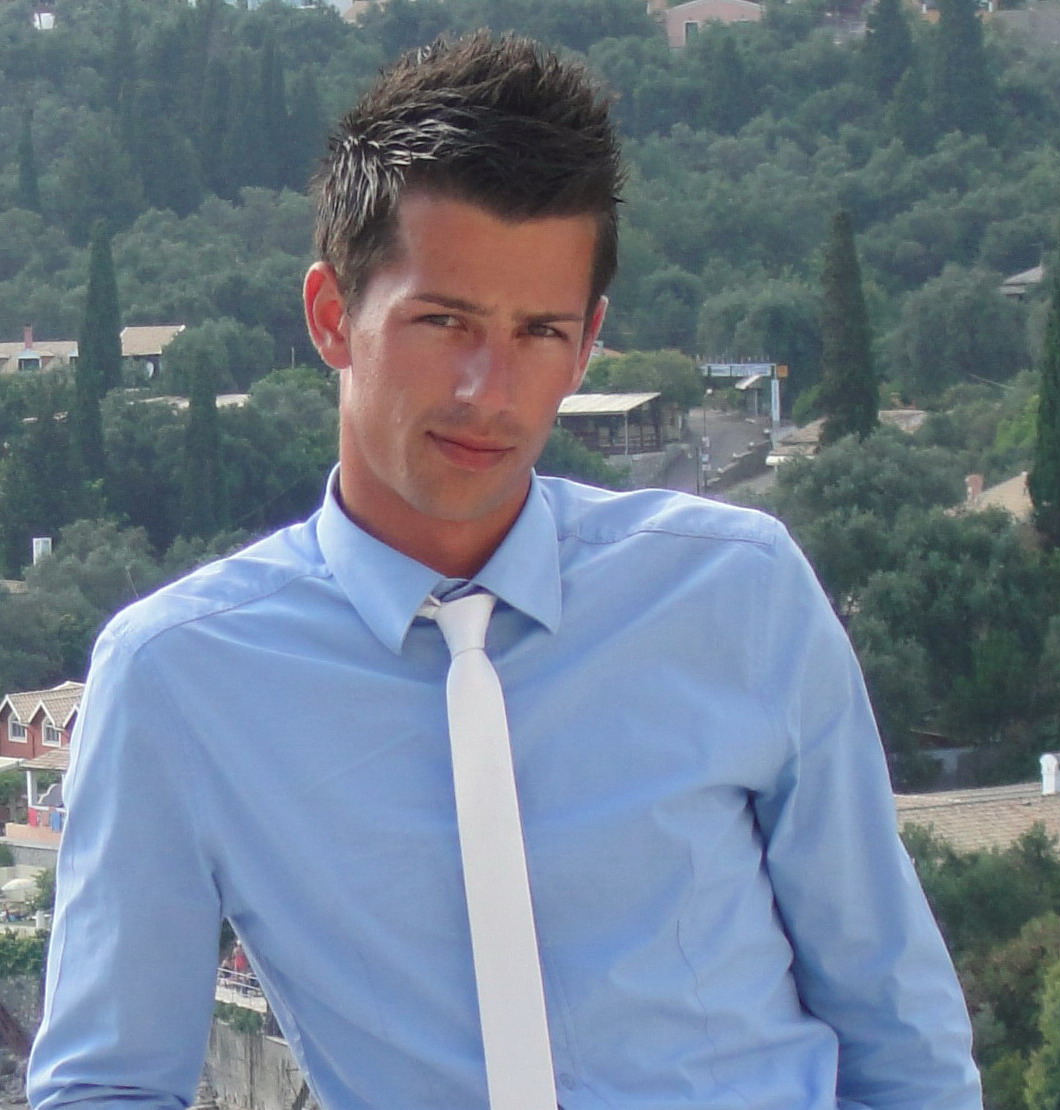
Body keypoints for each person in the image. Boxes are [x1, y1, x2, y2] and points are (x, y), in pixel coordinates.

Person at [28, 32, 981, 1110]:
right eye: (445, 322)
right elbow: (105, 1085)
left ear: (588, 344)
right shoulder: (179, 680)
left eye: (539, 332)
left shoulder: (739, 596)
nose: (489, 389)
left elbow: (900, 1032)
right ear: (333, 317)